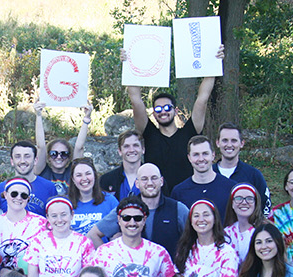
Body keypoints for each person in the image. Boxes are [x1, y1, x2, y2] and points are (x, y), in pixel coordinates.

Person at [125, 47, 221, 193]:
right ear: (154, 113)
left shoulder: (190, 132)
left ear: (175, 111)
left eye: (167, 108)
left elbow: (203, 98)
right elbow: (136, 100)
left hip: (187, 198)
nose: (163, 111)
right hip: (156, 199)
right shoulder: (149, 133)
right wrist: (128, 64)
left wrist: (213, 63)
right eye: (158, 109)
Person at [88, 163, 188, 252]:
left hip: (169, 271)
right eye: (144, 179)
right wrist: (110, 259)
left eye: (154, 178)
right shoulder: (125, 209)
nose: (149, 183)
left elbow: (193, 239)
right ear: (137, 184)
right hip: (133, 272)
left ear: (161, 181)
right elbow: (93, 235)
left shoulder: (177, 209)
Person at [32, 102, 93, 196]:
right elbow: (41, 146)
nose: (59, 157)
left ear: (69, 157)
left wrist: (86, 119)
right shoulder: (41, 171)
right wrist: (38, 115)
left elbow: (79, 147)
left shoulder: (72, 172)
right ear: (48, 157)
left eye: (64, 154)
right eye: (54, 153)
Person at [0, 142, 58, 217]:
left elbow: (55, 218)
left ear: (35, 160)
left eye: (27, 156)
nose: (22, 161)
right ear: (12, 161)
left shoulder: (49, 187)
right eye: (18, 156)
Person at [214, 123, 270, 213]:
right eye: (225, 140)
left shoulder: (254, 175)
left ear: (242, 143)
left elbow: (265, 207)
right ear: (217, 143)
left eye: (234, 141)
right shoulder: (209, 174)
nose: (229, 145)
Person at [170, 136, 232, 211]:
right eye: (196, 154)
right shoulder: (179, 192)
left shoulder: (229, 188)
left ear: (213, 155)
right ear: (189, 158)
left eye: (205, 153)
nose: (201, 159)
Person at [66, 158, 118, 235]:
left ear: (95, 175)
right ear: (73, 179)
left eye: (88, 174)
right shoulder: (65, 203)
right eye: (79, 175)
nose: (84, 178)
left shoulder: (110, 201)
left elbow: (119, 230)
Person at [97, 132, 146, 201]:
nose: (131, 150)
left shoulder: (154, 178)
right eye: (126, 146)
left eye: (135, 145)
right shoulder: (106, 180)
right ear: (120, 151)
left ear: (143, 149)